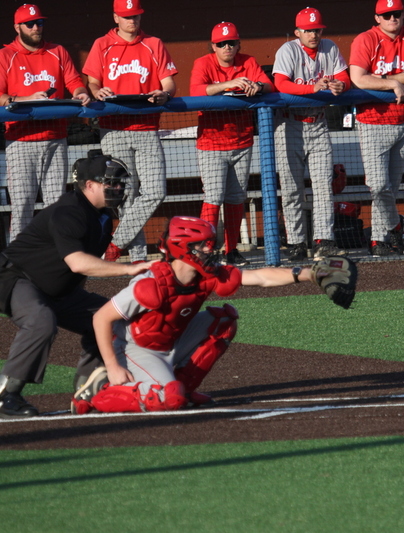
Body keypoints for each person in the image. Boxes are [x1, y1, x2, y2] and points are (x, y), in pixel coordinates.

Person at [70, 216, 337, 414]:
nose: (210, 250)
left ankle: (182, 387)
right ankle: (99, 392)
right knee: (168, 401)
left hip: (171, 342)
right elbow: (101, 318)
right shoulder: (151, 283)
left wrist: (311, 274)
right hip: (136, 348)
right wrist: (114, 366)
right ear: (183, 248)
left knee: (223, 321)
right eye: (203, 245)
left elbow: (260, 277)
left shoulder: (207, 274)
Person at [0, 152, 154, 419]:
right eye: (111, 183)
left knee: (109, 317)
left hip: (56, 288)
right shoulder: (69, 211)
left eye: (120, 183)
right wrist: (130, 267)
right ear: (89, 185)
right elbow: (78, 263)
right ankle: (6, 395)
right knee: (41, 320)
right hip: (16, 278)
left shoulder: (102, 215)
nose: (117, 188)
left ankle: (88, 389)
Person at [83, 0, 178, 262]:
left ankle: (115, 246)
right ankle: (137, 258)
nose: (131, 21)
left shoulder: (154, 43)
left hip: (146, 127)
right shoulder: (102, 44)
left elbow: (169, 83)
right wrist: (96, 90)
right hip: (113, 128)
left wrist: (164, 93)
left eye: (135, 16)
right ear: (116, 17)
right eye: (126, 16)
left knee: (155, 191)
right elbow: (92, 81)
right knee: (124, 195)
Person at [0, 4, 91, 240]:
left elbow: (74, 81)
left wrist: (80, 91)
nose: (36, 28)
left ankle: (56, 258)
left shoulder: (57, 51)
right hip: (21, 141)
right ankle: (17, 265)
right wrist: (25, 98)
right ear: (17, 27)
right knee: (22, 208)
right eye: (30, 24)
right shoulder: (6, 55)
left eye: (39, 23)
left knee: (57, 206)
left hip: (55, 138)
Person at [190, 21, 274, 267]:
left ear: (238, 44)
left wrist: (257, 86)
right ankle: (204, 250)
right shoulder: (203, 63)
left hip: (242, 140)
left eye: (231, 42)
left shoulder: (247, 61)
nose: (227, 47)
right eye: (221, 43)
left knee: (237, 198)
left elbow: (270, 85)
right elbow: (195, 92)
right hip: (212, 143)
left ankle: (231, 250)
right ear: (213, 46)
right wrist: (228, 84)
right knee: (214, 197)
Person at [349, 0, 404, 257]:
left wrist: (381, 81)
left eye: (396, 13)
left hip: (403, 121)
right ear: (377, 17)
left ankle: (380, 239)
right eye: (387, 14)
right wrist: (393, 82)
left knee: (390, 189)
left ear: (403, 14)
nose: (392, 18)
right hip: (372, 121)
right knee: (378, 186)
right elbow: (358, 79)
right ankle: (396, 225)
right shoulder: (366, 39)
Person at [273, 7, 349, 262]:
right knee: (292, 189)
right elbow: (280, 84)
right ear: (298, 32)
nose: (313, 34)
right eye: (308, 30)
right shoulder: (288, 50)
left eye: (316, 29)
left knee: (323, 185)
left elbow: (343, 76)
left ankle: (323, 241)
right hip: (289, 124)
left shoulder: (329, 47)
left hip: (318, 122)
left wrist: (341, 84)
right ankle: (295, 243)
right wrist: (312, 88)